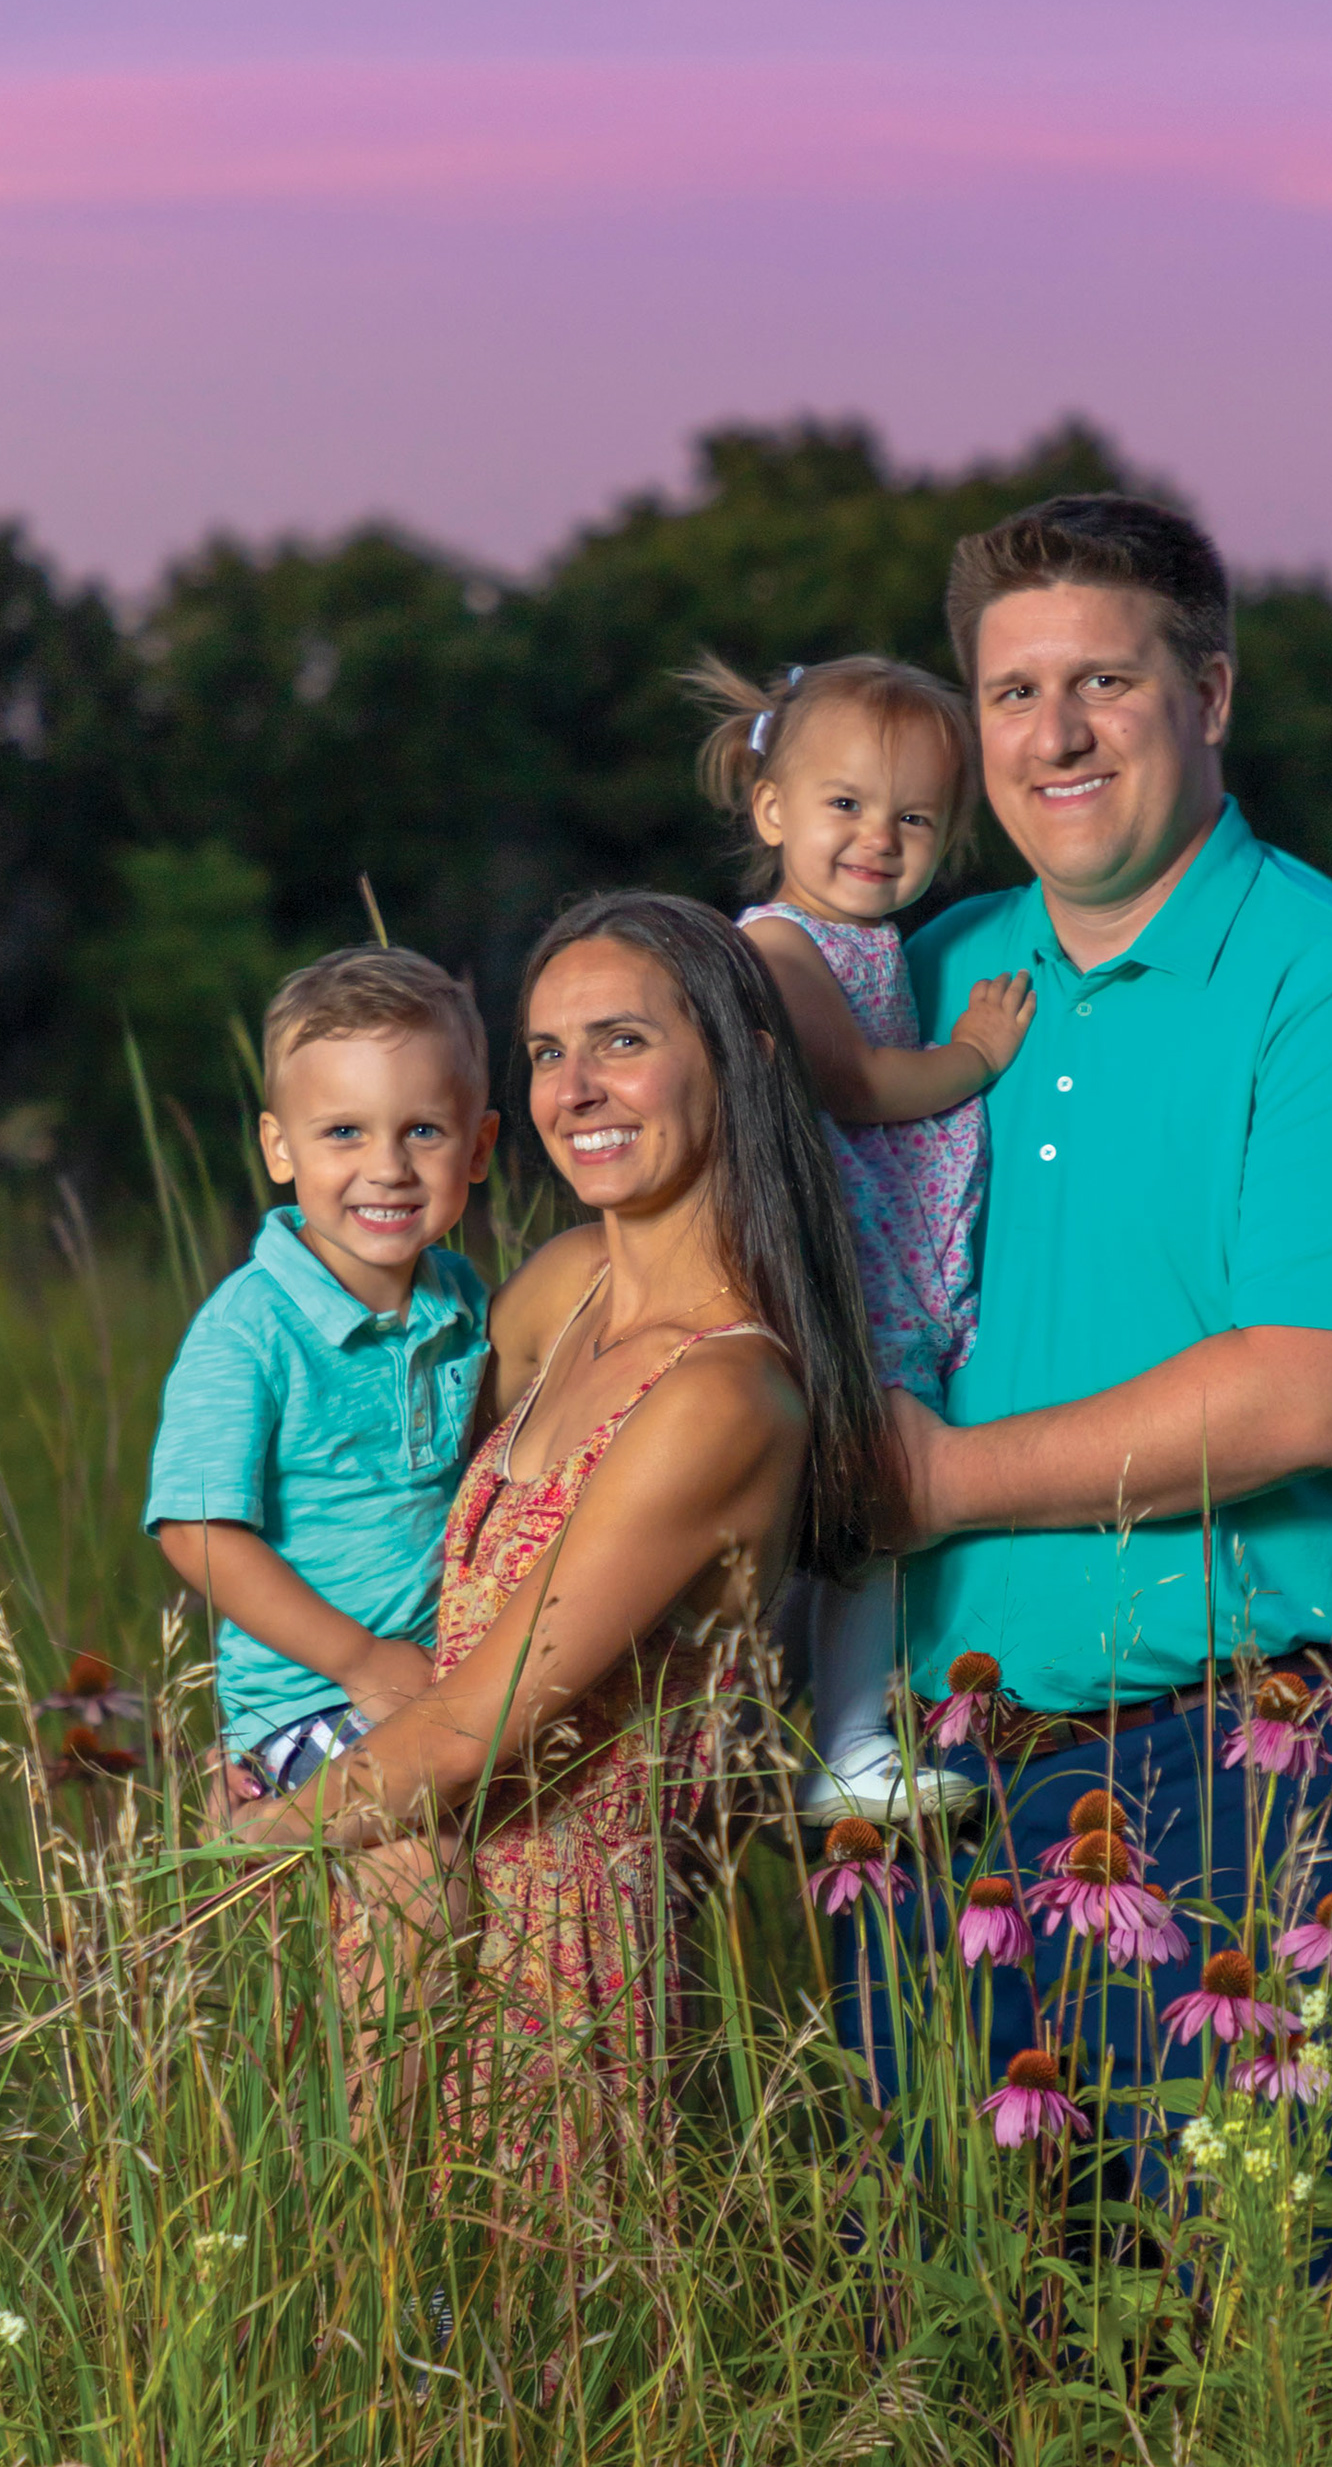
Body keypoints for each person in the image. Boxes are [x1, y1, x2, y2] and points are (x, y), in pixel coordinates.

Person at [886, 492, 1332, 2122]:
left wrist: (932, 1480)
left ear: (1207, 696)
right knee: (953, 2317)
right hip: (935, 1768)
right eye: (1013, 693)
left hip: (1253, 1760)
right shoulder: (921, 980)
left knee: (1270, 2302)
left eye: (1106, 682)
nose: (1054, 734)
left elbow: (1313, 1393)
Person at [232, 894, 895, 2186]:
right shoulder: (556, 1290)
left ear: (743, 1054)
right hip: (406, 1880)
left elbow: (487, 1721)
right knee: (368, 2333)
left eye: (622, 1042)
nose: (574, 1088)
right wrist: (273, 1720)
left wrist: (243, 1843)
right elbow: (394, 1540)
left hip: (564, 1953)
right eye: (543, 1052)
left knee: (519, 2358)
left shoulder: (726, 1390)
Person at [686, 650, 1034, 1819]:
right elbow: (855, 1082)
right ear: (772, 806)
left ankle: (761, 1728)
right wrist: (974, 1059)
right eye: (844, 804)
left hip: (864, 1256)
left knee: (834, 1524)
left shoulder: (861, 939)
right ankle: (848, 1745)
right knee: (874, 1514)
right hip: (838, 1269)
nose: (878, 836)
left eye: (915, 816)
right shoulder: (782, 944)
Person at [147, 947, 499, 1800]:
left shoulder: (460, 1296)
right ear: (278, 1146)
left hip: (445, 1680)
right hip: (312, 1700)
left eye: (423, 1129)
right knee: (420, 1878)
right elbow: (196, 1530)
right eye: (344, 1131)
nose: (388, 1166)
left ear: (479, 1146)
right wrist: (359, 1659)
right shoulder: (250, 1326)